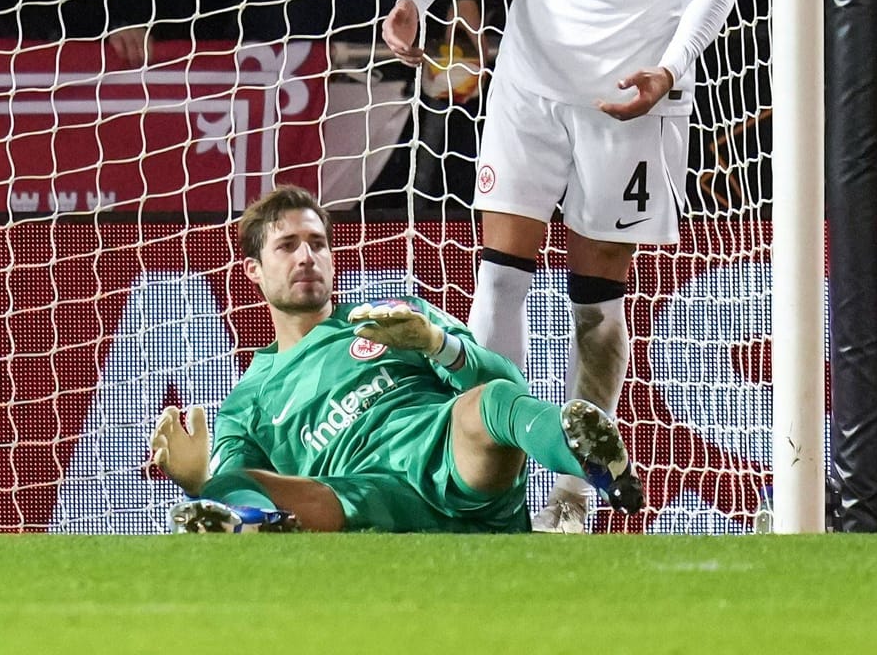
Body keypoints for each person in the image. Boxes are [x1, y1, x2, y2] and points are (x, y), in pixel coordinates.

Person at [380, 0, 757, 533]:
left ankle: (573, 492)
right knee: (499, 279)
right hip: (532, 73)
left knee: (596, 308)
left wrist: (671, 67)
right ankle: (497, 484)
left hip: (634, 94)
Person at [149, 185, 641, 534]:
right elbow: (236, 482)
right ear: (253, 271)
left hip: (454, 467)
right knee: (239, 482)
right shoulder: (248, 401)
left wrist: (436, 345)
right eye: (287, 246)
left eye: (317, 244)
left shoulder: (392, 318)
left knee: (491, 400)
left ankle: (595, 463)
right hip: (363, 497)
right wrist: (201, 484)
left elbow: (508, 379)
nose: (306, 257)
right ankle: (253, 530)